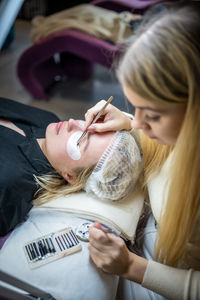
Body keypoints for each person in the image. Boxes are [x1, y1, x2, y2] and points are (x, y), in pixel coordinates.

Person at [85, 3, 200, 299]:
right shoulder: (172, 133)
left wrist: (130, 267)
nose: (138, 122)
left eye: (153, 114)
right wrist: (128, 121)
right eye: (133, 105)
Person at [0, 97, 142, 237]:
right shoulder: (48, 119)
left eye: (78, 141)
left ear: (70, 176)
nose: (72, 122)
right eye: (90, 124)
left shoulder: (7, 184)